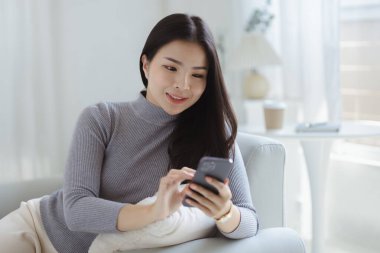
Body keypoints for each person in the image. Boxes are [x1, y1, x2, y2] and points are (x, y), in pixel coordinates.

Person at [0, 13, 259, 253]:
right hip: (36, 231)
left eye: (198, 75)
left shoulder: (214, 133)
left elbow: (249, 222)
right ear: (146, 65)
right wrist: (154, 212)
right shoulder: (102, 118)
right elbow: (77, 209)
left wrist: (225, 212)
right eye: (171, 68)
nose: (183, 85)